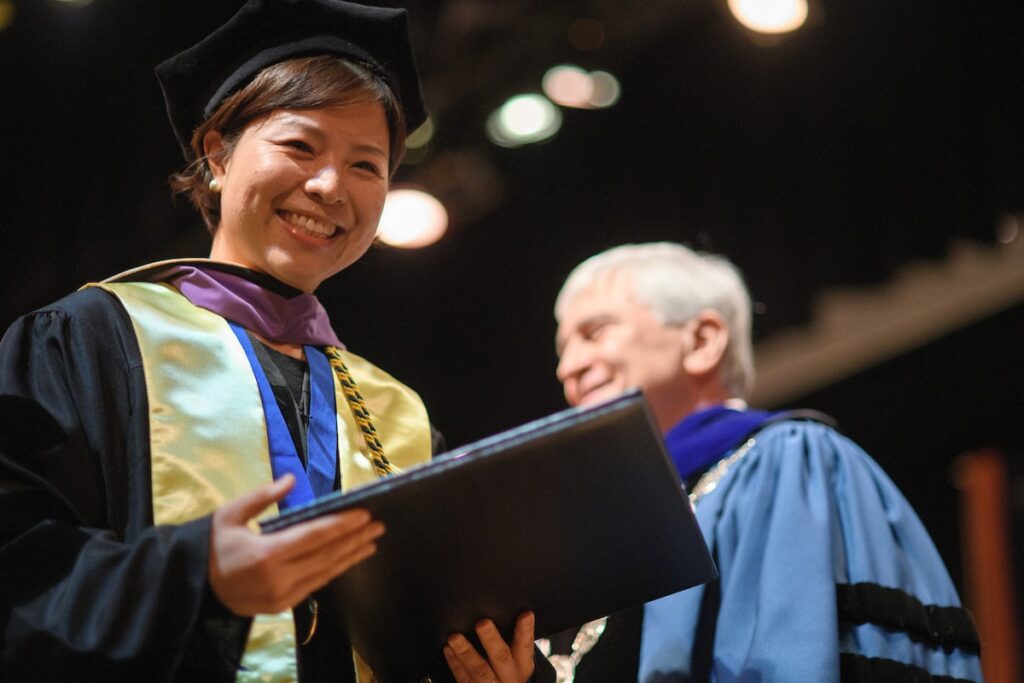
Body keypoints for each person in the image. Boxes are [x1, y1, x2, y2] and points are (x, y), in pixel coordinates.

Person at [0, 1, 543, 681]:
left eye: (366, 166)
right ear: (217, 153)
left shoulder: (392, 410)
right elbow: (18, 570)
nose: (328, 186)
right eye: (299, 145)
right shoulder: (90, 341)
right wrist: (193, 574)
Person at [547, 242, 983, 682]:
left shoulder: (787, 462)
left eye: (594, 332)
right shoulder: (605, 539)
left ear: (702, 341)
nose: (570, 367)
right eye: (562, 350)